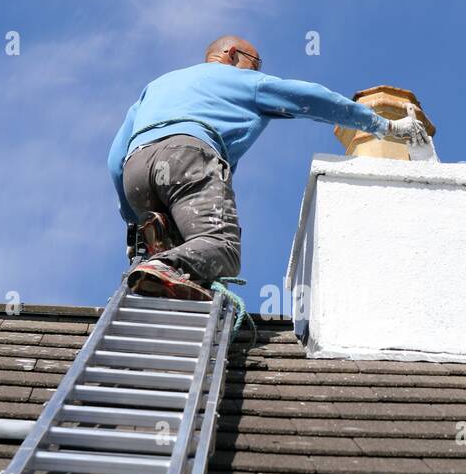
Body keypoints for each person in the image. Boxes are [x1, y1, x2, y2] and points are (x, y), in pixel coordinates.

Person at [107, 35, 428, 300]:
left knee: (186, 254)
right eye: (255, 64)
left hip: (137, 170)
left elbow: (114, 160)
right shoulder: (242, 80)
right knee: (221, 249)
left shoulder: (157, 86)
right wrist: (381, 126)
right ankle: (164, 265)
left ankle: (162, 258)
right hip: (188, 157)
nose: (256, 70)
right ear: (232, 54)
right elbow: (313, 99)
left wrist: (132, 218)